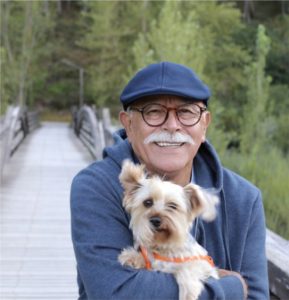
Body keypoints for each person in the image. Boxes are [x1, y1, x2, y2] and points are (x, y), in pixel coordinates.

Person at [70, 62, 269, 299]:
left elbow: (257, 296)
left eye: (186, 112)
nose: (173, 126)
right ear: (129, 125)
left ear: (204, 125)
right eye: (153, 111)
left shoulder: (244, 198)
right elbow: (116, 293)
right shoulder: (96, 188)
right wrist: (233, 288)